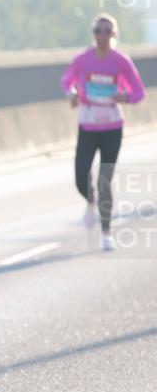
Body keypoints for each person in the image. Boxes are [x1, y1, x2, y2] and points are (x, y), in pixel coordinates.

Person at [61, 13, 146, 251]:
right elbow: (66, 81)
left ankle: (106, 233)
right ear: (93, 34)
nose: (102, 36)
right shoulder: (82, 60)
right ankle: (90, 200)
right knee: (81, 175)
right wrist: (73, 94)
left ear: (114, 34)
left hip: (112, 125)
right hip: (88, 123)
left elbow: (139, 92)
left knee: (104, 178)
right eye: (98, 31)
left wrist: (125, 97)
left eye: (107, 31)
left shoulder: (121, 61)